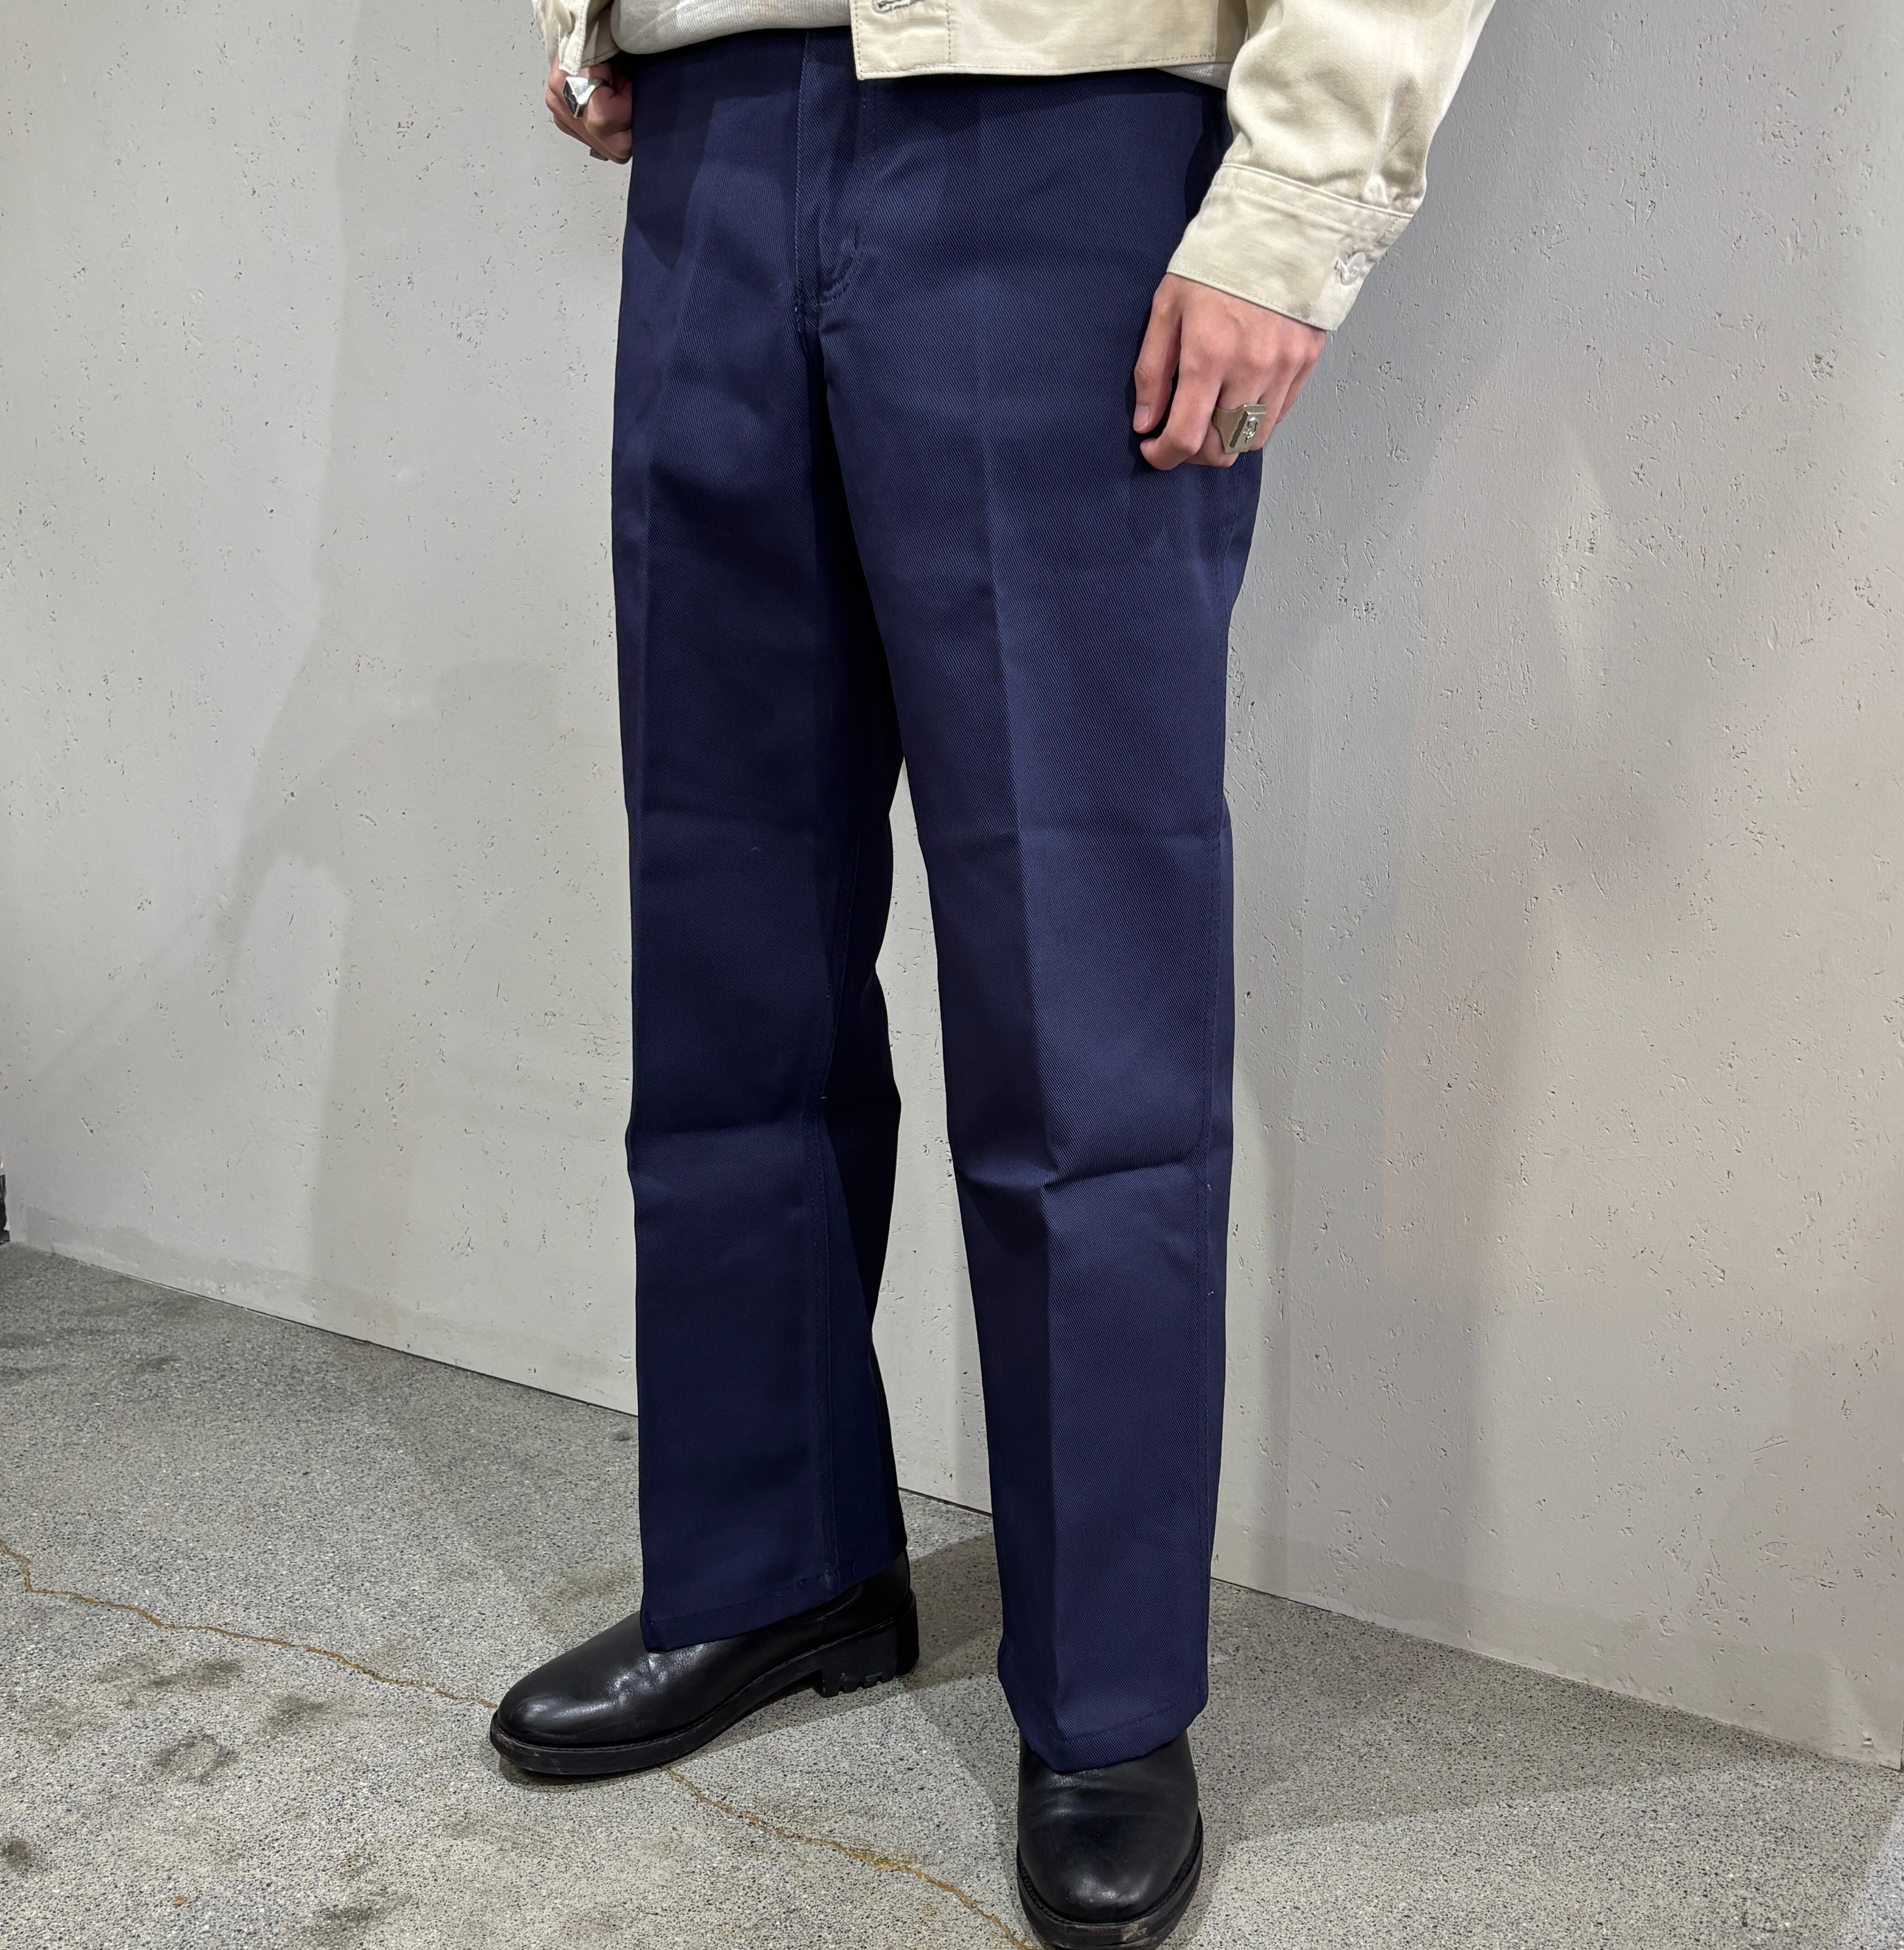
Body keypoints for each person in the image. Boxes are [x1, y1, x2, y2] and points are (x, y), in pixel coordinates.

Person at [490, 4, 1493, 1943]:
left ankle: (1107, 1694)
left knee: (1078, 973)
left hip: (1062, 133)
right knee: (724, 924)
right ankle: (771, 1565)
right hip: (717, 129)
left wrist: (1294, 205)